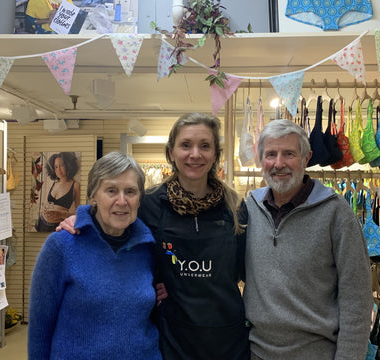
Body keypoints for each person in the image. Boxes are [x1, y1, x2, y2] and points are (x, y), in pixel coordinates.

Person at [58, 113, 250, 360]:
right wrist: (82, 219)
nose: (195, 154)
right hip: (170, 339)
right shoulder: (147, 204)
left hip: (227, 340)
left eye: (205, 146)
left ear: (215, 154)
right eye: (185, 145)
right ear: (171, 152)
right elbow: (112, 234)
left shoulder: (234, 207)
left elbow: (245, 271)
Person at [242, 119, 372, 360]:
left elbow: (357, 301)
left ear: (306, 158)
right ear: (261, 160)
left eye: (289, 154)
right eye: (271, 154)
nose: (278, 163)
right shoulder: (249, 208)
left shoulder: (336, 213)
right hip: (255, 352)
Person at [28, 152, 162, 360]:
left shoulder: (149, 247)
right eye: (111, 190)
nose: (122, 200)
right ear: (93, 197)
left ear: (139, 199)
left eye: (130, 191)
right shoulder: (62, 246)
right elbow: (39, 329)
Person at [35, 152, 80, 232]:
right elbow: (47, 205)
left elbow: (78, 214)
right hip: (42, 222)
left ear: (68, 165)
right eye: (56, 167)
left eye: (62, 165)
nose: (59, 170)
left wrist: (61, 214)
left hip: (59, 226)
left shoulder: (75, 185)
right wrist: (43, 209)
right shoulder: (53, 184)